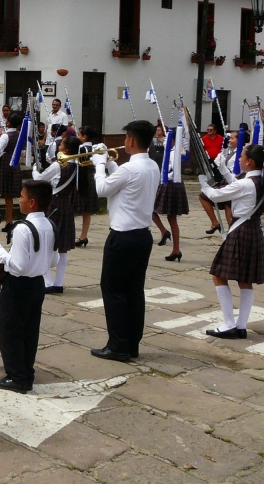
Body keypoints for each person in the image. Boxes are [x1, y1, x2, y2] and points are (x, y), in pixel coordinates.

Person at [90, 119, 160, 361]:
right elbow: (123, 184)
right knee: (134, 291)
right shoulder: (152, 166)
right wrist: (110, 163)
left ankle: (118, 345)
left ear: (131, 140)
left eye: (125, 138)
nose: (123, 142)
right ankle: (131, 344)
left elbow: (102, 190)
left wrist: (99, 165)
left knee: (113, 290)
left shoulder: (129, 169)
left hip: (122, 237)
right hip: (142, 236)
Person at [200, 143, 264, 338]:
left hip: (240, 230)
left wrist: (203, 182)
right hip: (252, 229)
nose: (240, 159)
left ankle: (229, 323)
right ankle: (241, 325)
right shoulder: (261, 179)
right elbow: (237, 184)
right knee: (245, 280)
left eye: (242, 156)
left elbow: (216, 196)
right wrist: (223, 169)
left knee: (219, 274)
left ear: (249, 161)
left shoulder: (245, 184)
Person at [0, 181, 54, 393]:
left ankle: (16, 377)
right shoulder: (50, 225)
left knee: (11, 331)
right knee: (30, 330)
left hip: (18, 284)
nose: (19, 199)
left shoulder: (23, 229)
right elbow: (53, 261)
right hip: (37, 283)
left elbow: (17, 265)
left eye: (22, 196)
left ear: (32, 202)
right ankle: (26, 372)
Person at [32, 134, 79, 293]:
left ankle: (48, 282)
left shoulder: (59, 165)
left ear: (66, 149)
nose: (58, 146)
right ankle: (58, 283)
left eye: (61, 145)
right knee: (63, 247)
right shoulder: (78, 165)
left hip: (54, 204)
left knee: (46, 243)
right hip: (66, 205)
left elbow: (40, 179)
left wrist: (34, 170)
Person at [152, 123, 189, 263]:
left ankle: (176, 248)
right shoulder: (172, 151)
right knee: (163, 214)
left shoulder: (176, 152)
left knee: (171, 218)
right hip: (166, 182)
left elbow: (174, 169)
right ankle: (170, 241)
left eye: (170, 138)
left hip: (171, 184)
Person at [75, 126, 101, 247]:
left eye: (79, 135)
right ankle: (83, 235)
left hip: (83, 179)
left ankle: (77, 235)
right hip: (92, 178)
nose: (78, 137)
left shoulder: (82, 147)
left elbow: (78, 165)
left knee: (77, 208)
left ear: (84, 137)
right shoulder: (95, 148)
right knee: (87, 211)